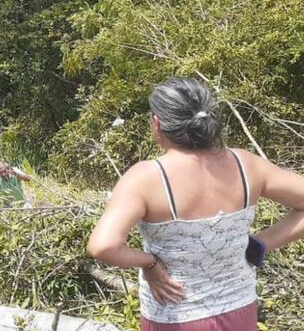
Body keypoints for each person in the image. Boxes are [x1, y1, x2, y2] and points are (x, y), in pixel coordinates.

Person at [87, 77, 304, 330]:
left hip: (174, 316)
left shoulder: (145, 178)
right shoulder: (247, 165)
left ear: (156, 124)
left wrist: (150, 263)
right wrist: (261, 243)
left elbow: (103, 246)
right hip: (239, 309)